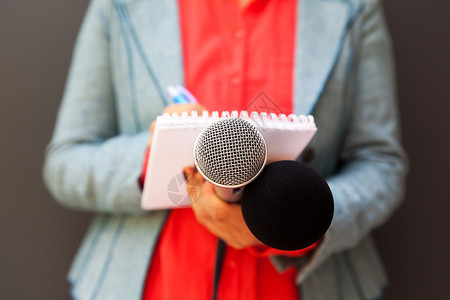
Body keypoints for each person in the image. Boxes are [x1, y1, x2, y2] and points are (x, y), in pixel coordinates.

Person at [43, 0, 408, 299]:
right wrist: (158, 155)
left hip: (304, 285)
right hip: (156, 285)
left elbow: (380, 164)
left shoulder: (352, 8)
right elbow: (65, 163)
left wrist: (302, 228)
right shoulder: (120, 6)